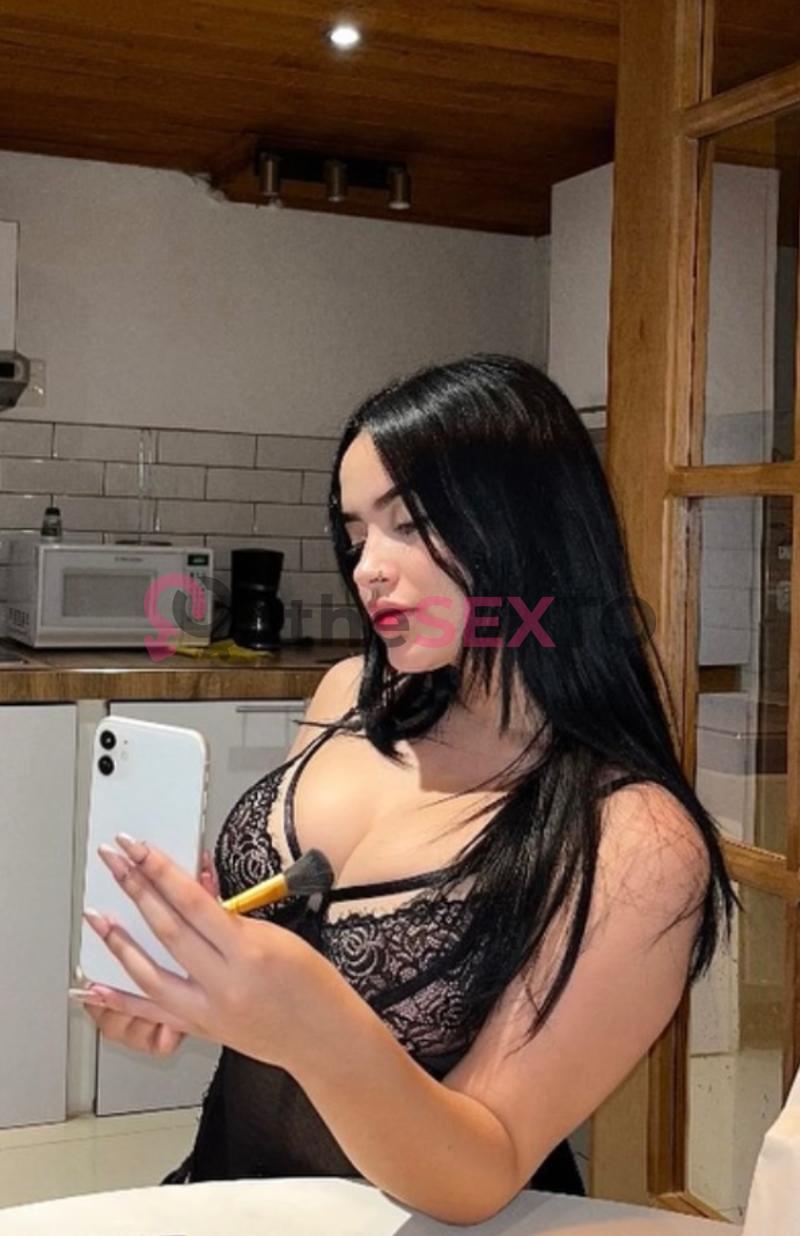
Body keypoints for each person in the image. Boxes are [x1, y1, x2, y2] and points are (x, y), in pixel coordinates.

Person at [74, 355, 735, 1226]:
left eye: (409, 524)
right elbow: (274, 1006)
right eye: (356, 535)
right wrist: (205, 976)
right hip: (230, 1202)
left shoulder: (633, 838)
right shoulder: (347, 696)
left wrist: (308, 1017)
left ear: (527, 525)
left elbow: (484, 1166)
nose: (366, 570)